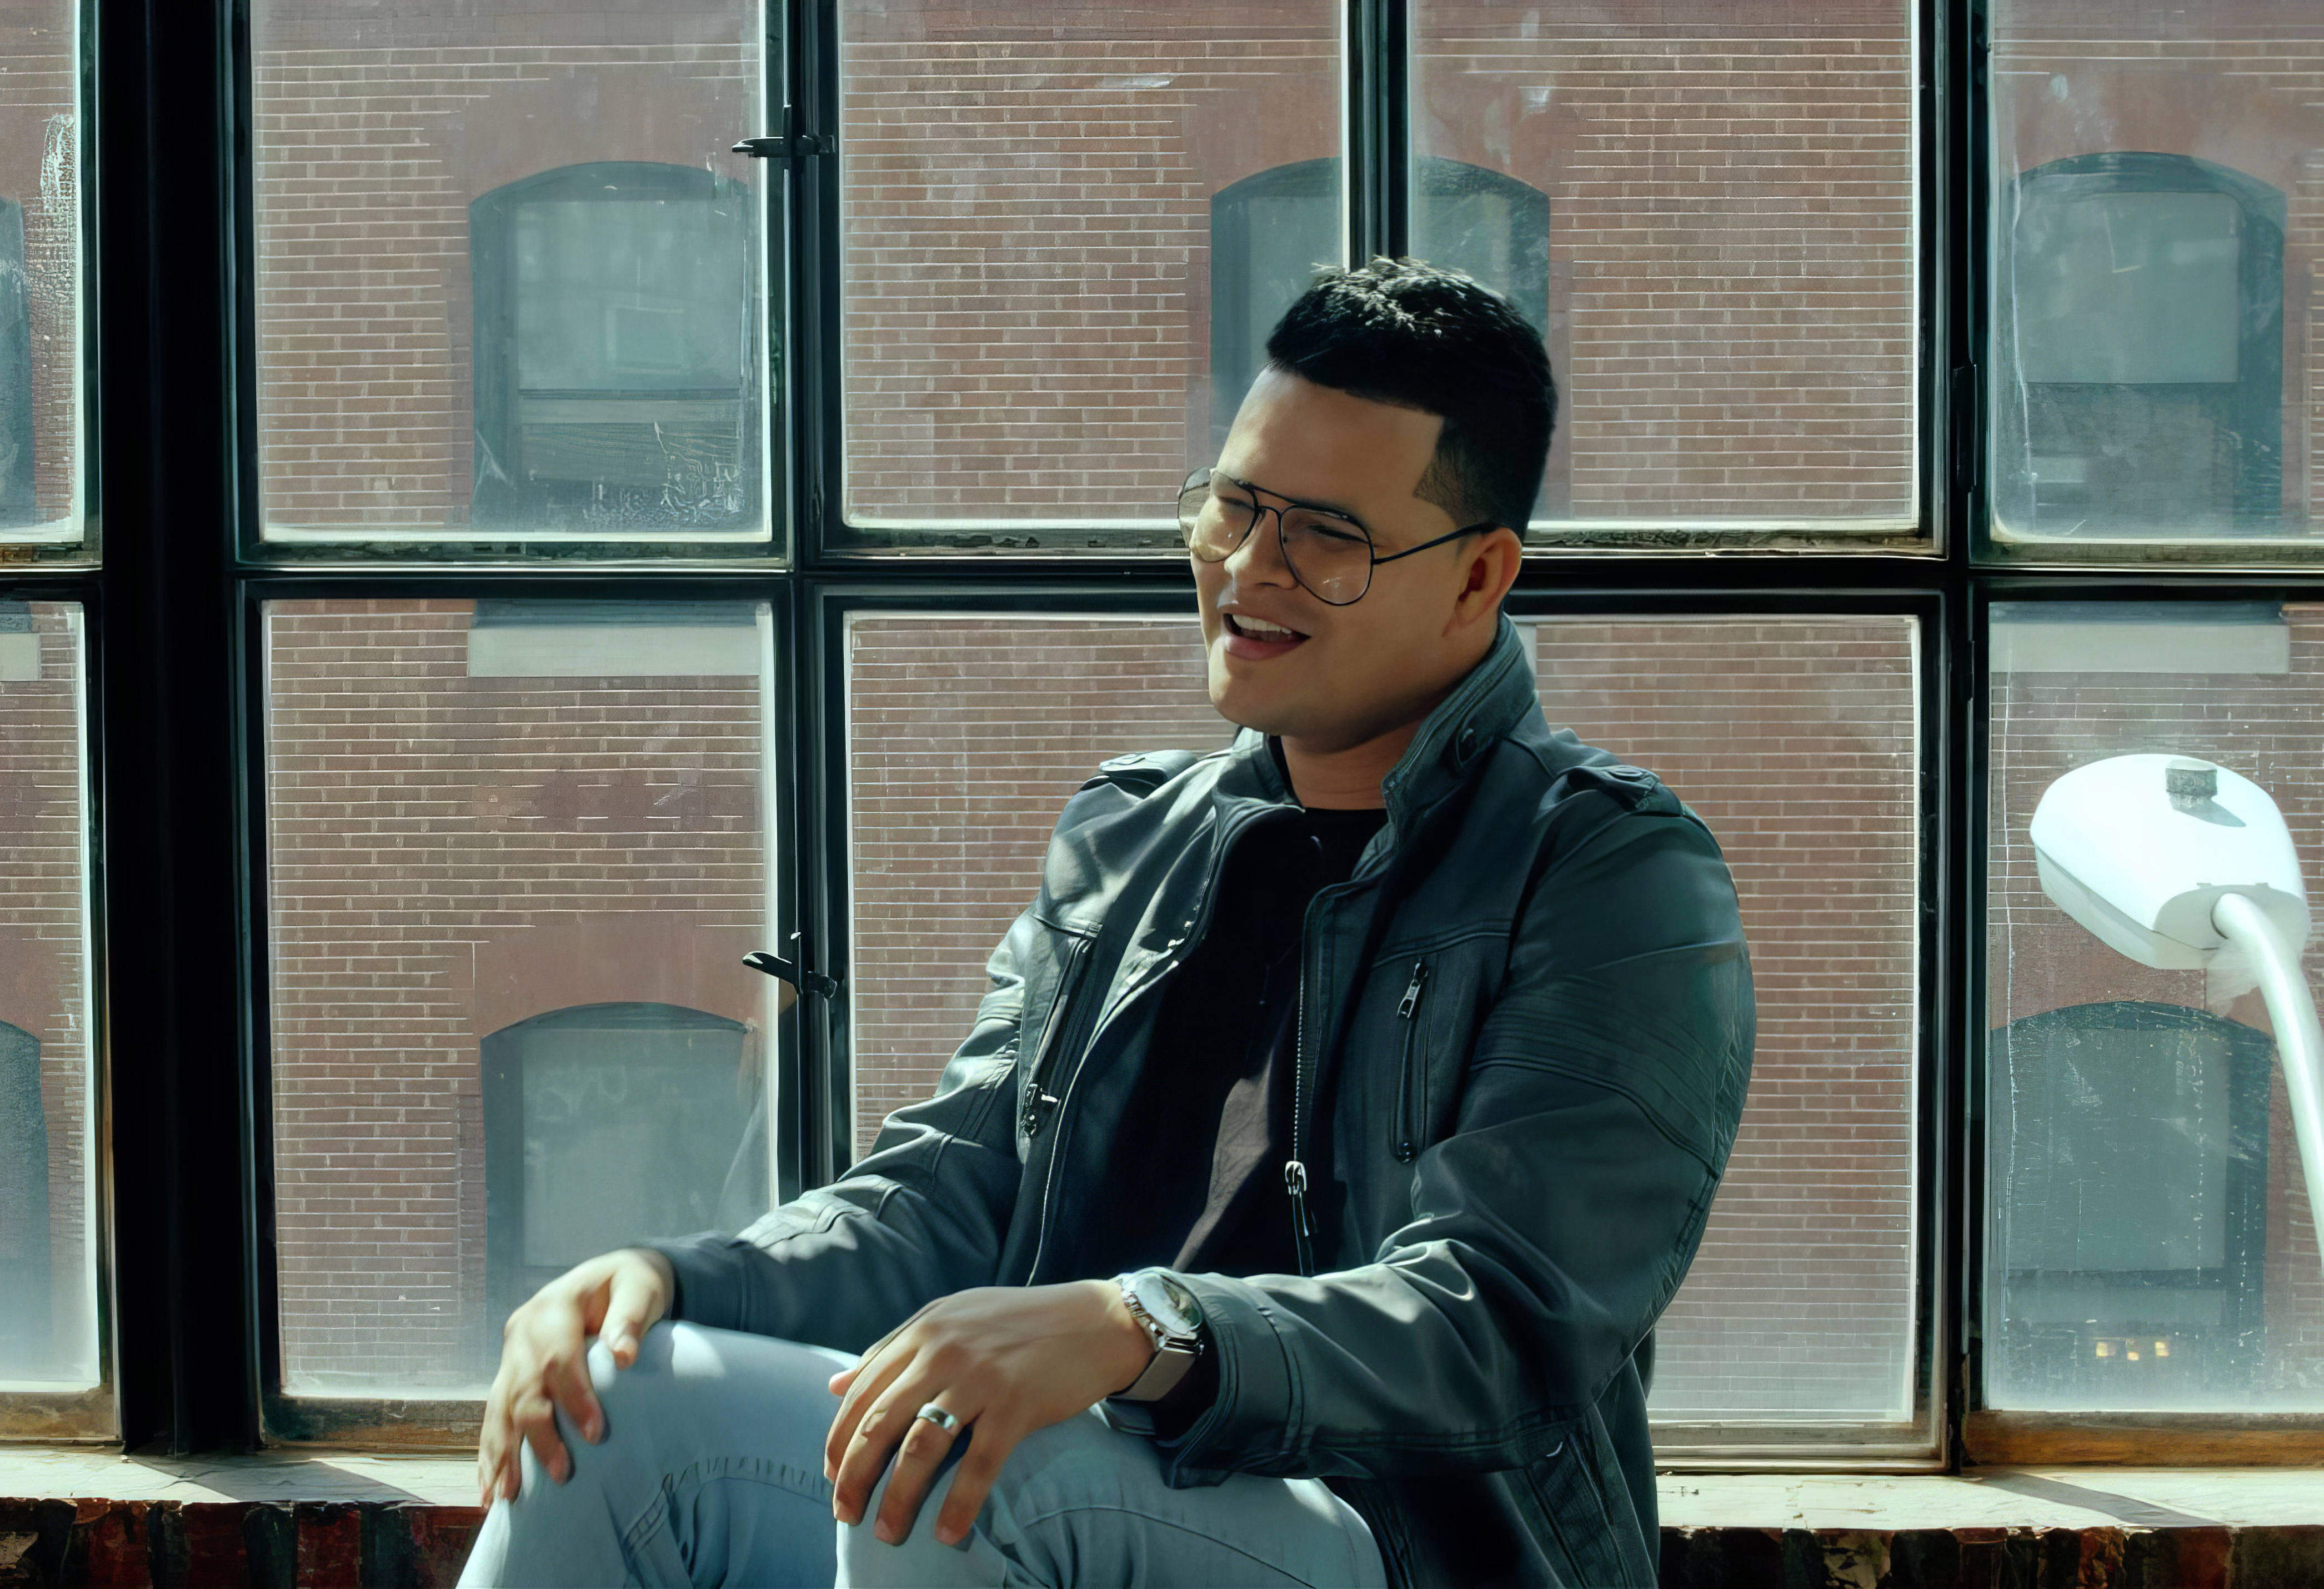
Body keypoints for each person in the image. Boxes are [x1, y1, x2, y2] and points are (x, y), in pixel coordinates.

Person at [458, 258, 1756, 1588]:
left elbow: (1504, 1318)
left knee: (972, 1468)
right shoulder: (1131, 836)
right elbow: (946, 1198)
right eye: (1236, 507)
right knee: (614, 1399)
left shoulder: (1609, 872)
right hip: (1094, 1476)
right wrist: (664, 1277)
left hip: (1405, 1543)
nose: (1251, 567)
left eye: (1327, 535)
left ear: (1480, 575)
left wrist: (1144, 1325)